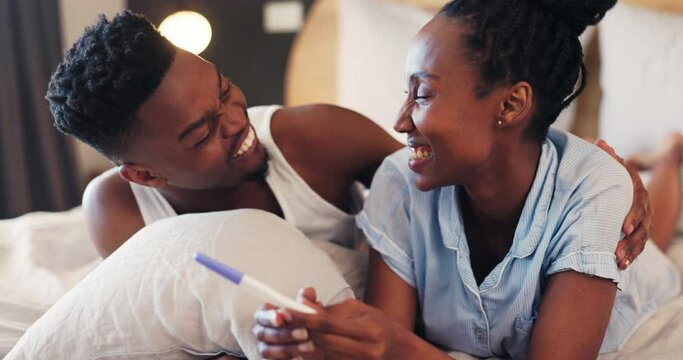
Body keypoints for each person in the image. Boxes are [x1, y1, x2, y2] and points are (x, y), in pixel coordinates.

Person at [45, 11, 649, 268]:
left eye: (226, 92)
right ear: (146, 175)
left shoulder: (312, 137)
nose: (238, 123)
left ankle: (667, 160)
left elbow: (461, 175)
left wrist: (595, 174)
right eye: (202, 131)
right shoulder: (119, 211)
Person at [253, 0, 681, 359]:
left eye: (422, 94)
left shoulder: (594, 189)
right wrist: (324, 342)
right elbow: (382, 340)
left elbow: (395, 344)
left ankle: (670, 155)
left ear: (512, 104)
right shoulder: (399, 184)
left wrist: (396, 345)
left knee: (649, 248)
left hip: (640, 298)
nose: (401, 121)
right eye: (406, 93)